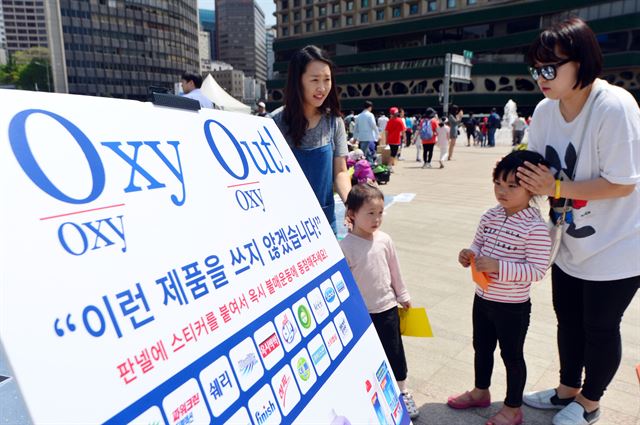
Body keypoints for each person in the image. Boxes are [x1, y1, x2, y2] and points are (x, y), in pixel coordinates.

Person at [516, 17, 639, 425]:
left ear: (581, 61)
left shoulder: (614, 106)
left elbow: (622, 184)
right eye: (536, 68)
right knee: (567, 318)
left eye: (550, 68)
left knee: (600, 326)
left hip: (618, 244)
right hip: (567, 240)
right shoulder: (544, 110)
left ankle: (590, 401)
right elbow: (536, 171)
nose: (541, 78)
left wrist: (556, 186)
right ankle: (566, 389)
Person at [448, 150, 552, 425]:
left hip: (512, 307)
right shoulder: (490, 216)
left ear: (531, 188)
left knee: (512, 356)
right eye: (498, 184)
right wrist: (468, 254)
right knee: (481, 347)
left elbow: (538, 270)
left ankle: (513, 407)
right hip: (482, 298)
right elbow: (478, 244)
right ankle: (480, 391)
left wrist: (497, 266)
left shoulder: (535, 228)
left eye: (512, 186)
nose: (502, 191)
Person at [339, 183, 420, 420]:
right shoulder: (345, 247)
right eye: (371, 213)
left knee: (395, 351)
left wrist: (403, 295)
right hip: (362, 313)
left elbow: (395, 271)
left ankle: (403, 390)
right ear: (351, 214)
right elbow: (346, 284)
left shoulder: (384, 240)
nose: (377, 219)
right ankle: (371, 392)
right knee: (367, 353)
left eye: (380, 213)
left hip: (386, 307)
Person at [271, 45, 351, 235]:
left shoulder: (334, 122)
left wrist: (351, 202)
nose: (322, 88)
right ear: (298, 81)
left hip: (325, 222)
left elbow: (340, 171)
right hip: (287, 226)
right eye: (315, 80)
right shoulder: (274, 123)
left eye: (327, 80)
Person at [384, 107, 406, 172]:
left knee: (392, 153)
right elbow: (403, 131)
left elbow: (386, 132)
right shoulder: (399, 120)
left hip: (390, 140)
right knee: (393, 154)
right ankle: (389, 166)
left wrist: (386, 140)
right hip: (396, 140)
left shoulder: (389, 121)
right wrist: (405, 138)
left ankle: (390, 166)